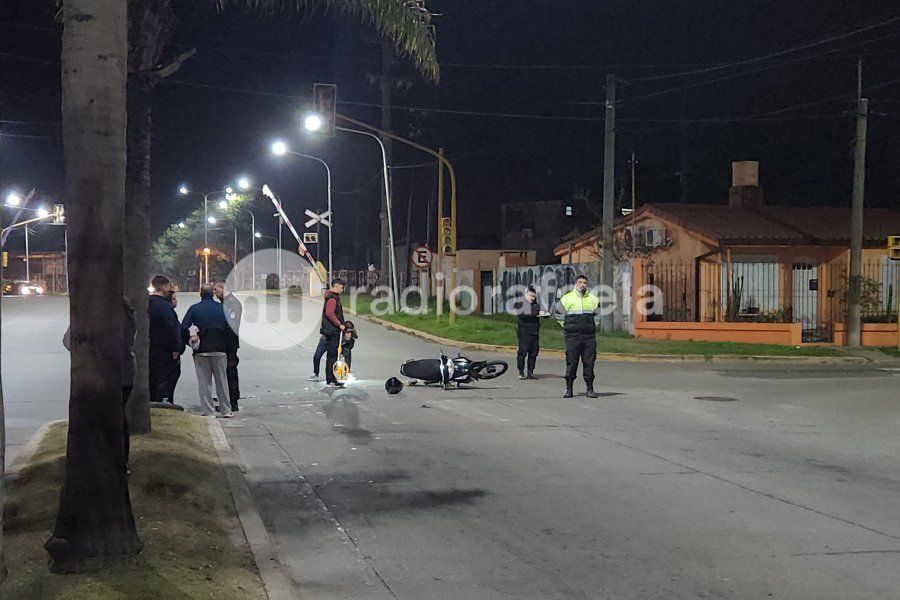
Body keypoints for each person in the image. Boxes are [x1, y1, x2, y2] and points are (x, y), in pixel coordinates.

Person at [63, 298, 137, 461]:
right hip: (126, 373)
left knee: (103, 417)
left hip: (103, 373)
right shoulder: (128, 317)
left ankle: (106, 457)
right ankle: (121, 459)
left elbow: (68, 341)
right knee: (119, 415)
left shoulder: (94, 317)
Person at [182, 284, 233, 417]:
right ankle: (226, 409)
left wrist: (190, 341)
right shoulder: (222, 308)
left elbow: (183, 327)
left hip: (201, 350)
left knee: (204, 383)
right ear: (212, 294)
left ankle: (208, 411)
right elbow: (230, 329)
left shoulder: (194, 309)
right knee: (222, 381)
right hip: (220, 349)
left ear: (201, 294)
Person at [555, 274, 601, 399]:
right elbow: (558, 314)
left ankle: (590, 389)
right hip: (572, 336)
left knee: (589, 363)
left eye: (584, 282)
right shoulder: (567, 298)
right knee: (571, 362)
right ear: (575, 284)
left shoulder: (593, 299)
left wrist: (592, 326)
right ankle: (569, 388)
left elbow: (598, 315)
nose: (582, 285)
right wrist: (567, 326)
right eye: (580, 282)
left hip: (588, 336)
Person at [149, 275, 183, 403]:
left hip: (151, 349)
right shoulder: (164, 307)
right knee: (164, 383)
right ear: (163, 287)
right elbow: (171, 329)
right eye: (168, 286)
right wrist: (176, 348)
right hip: (164, 353)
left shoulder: (148, 303)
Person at [214, 280, 242, 412]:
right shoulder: (226, 302)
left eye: (216, 290)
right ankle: (228, 399)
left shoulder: (232, 303)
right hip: (226, 343)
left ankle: (232, 401)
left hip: (229, 344)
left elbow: (231, 325)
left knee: (229, 372)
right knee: (226, 373)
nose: (214, 293)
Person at [516, 286, 548, 380]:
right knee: (522, 352)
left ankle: (530, 372)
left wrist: (545, 314)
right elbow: (524, 315)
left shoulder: (536, 305)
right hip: (524, 332)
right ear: (525, 295)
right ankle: (521, 371)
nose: (532, 298)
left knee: (533, 353)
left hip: (534, 333)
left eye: (533, 296)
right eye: (530, 295)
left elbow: (543, 312)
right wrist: (537, 313)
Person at [321, 278, 347, 388]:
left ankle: (332, 378)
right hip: (332, 331)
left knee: (333, 355)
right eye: (341, 287)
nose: (342, 289)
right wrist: (339, 324)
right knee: (332, 356)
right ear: (336, 286)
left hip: (332, 330)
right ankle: (331, 379)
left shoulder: (333, 297)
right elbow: (330, 313)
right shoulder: (332, 299)